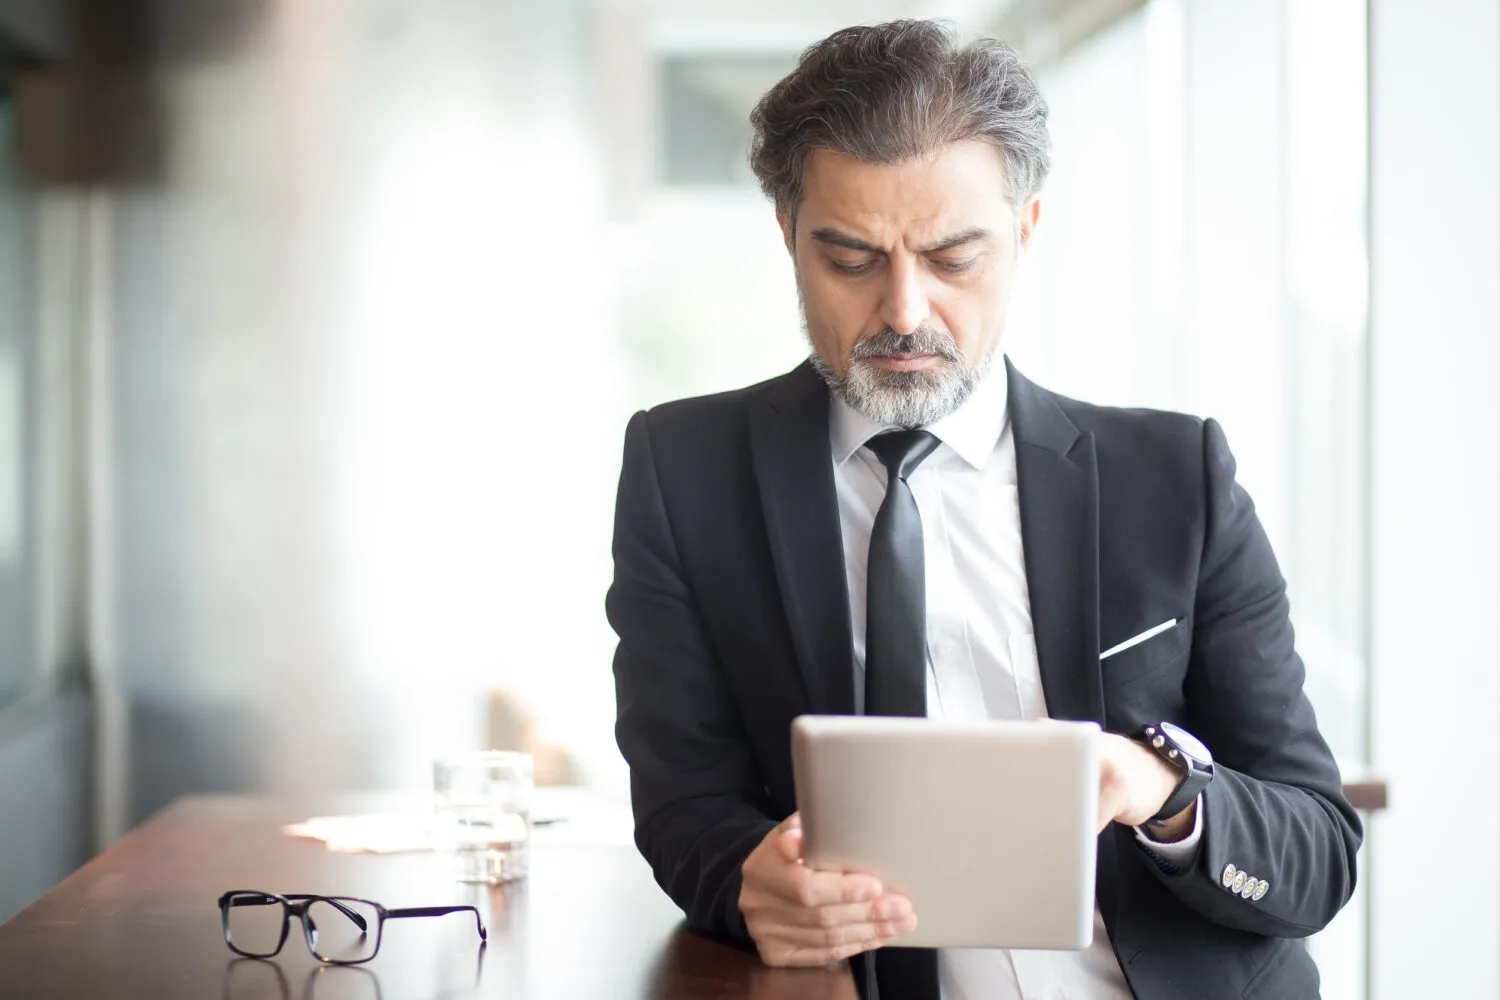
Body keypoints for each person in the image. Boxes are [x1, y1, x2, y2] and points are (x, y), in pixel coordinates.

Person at [607, 19, 1361, 1000]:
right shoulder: (683, 471)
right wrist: (748, 882)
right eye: (851, 259)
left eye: (954, 258)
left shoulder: (1178, 478)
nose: (904, 310)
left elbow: (1317, 849)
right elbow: (683, 807)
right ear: (788, 234)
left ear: (1025, 229)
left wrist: (1163, 795)